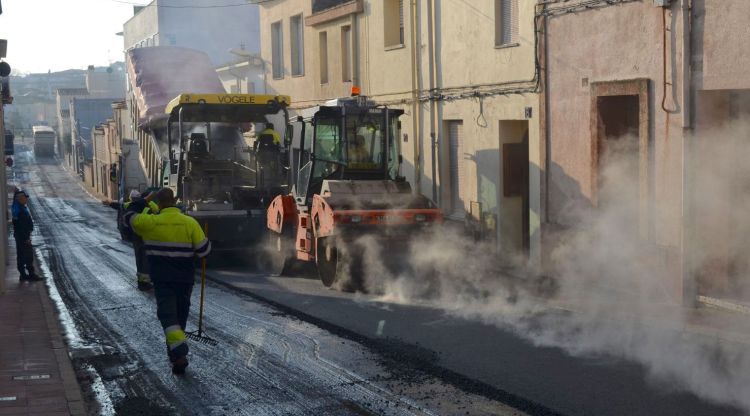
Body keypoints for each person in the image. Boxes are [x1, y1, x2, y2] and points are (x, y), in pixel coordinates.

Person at [125, 187, 211, 374]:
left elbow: (129, 216)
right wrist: (206, 242)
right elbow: (204, 251)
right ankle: (177, 357)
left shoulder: (149, 222)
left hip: (162, 280)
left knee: (168, 317)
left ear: (159, 203)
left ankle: (178, 354)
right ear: (174, 201)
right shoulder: (190, 223)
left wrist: (141, 201)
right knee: (179, 317)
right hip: (185, 280)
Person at [103, 189, 159, 291]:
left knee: (140, 259)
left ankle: (143, 281)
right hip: (149, 236)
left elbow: (121, 206)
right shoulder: (152, 206)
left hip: (138, 235)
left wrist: (110, 203)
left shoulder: (133, 205)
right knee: (147, 259)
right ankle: (145, 282)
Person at [11, 188, 41, 281]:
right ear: (20, 199)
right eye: (24, 198)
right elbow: (22, 226)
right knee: (28, 255)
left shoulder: (17, 208)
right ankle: (31, 274)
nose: (26, 199)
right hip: (23, 236)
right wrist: (27, 238)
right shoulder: (20, 211)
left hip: (19, 235)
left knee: (20, 255)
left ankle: (23, 274)